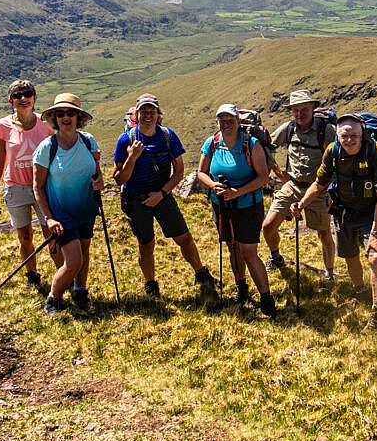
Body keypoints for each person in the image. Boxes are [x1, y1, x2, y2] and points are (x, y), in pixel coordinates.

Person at [113, 93, 217, 299]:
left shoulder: (168, 136)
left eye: (152, 111)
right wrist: (132, 158)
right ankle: (151, 284)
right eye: (144, 111)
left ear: (159, 114)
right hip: (136, 199)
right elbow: (118, 178)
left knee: (184, 238)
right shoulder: (126, 139)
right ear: (137, 114)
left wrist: (161, 194)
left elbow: (179, 171)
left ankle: (201, 273)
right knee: (146, 243)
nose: (148, 115)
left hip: (163, 195)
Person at [291, 114, 377, 331]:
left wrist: (375, 231)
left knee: (374, 257)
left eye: (354, 135)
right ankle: (360, 290)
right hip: (343, 211)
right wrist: (301, 204)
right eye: (345, 136)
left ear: (362, 134)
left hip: (369, 212)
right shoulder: (333, 152)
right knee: (349, 256)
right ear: (338, 136)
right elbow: (319, 184)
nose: (350, 140)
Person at [197, 104, 276, 317]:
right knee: (233, 247)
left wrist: (238, 192)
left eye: (230, 120)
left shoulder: (251, 144)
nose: (226, 124)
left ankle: (266, 297)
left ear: (238, 122)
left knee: (248, 252)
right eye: (222, 120)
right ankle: (241, 287)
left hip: (248, 205)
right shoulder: (212, 143)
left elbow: (263, 178)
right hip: (222, 205)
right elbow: (201, 173)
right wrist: (214, 186)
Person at [32, 93, 102, 317]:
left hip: (86, 208)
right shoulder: (47, 148)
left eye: (70, 113)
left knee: (84, 251)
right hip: (61, 214)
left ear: (78, 117)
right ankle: (53, 299)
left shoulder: (88, 141)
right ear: (54, 118)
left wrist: (99, 182)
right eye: (60, 113)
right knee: (73, 261)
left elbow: (96, 172)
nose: (65, 117)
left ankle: (80, 292)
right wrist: (49, 218)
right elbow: (38, 187)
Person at [0, 79, 61, 288]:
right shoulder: (3, 126)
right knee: (25, 236)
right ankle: (32, 275)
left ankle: (63, 275)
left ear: (34, 98)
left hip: (43, 187)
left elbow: (56, 155)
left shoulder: (46, 125)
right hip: (15, 188)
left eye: (27, 94)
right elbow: (0, 158)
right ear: (11, 101)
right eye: (18, 95)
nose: (23, 98)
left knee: (51, 234)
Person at [262, 89, 337, 279]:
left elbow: (338, 155)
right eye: (295, 110)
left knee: (324, 233)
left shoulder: (326, 130)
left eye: (304, 109)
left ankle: (329, 272)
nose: (299, 114)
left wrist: (329, 180)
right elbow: (266, 146)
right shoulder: (288, 128)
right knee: (268, 226)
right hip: (292, 185)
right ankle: (276, 257)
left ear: (313, 108)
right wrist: (275, 169)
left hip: (318, 188)